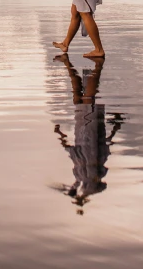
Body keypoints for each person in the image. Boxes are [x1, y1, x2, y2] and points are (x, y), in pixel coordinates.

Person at [53, 54, 124, 212]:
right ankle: (90, 67)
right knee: (82, 97)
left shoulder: (89, 171)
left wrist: (116, 126)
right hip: (87, 127)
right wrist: (60, 134)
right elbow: (72, 150)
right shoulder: (85, 172)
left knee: (82, 97)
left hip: (87, 127)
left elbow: (105, 144)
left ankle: (75, 66)